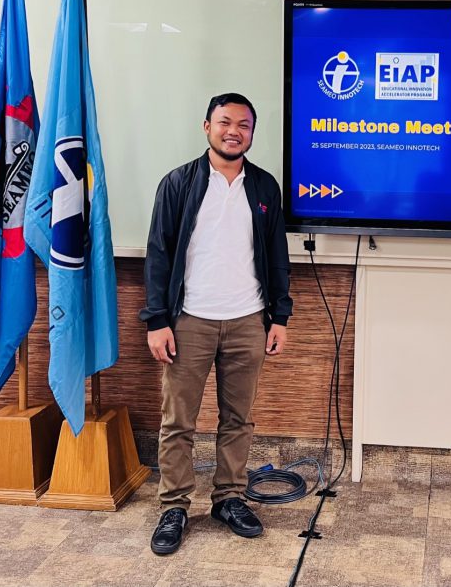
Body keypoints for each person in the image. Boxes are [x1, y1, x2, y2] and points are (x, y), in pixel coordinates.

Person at [141, 93, 293, 556]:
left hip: (248, 319)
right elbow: (159, 255)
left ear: (252, 132)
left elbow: (277, 256)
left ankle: (229, 497)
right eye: (225, 122)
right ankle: (174, 506)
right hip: (189, 321)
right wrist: (157, 320)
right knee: (177, 422)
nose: (234, 131)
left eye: (244, 125)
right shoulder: (179, 183)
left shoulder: (264, 187)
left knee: (238, 420)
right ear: (206, 125)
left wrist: (279, 317)